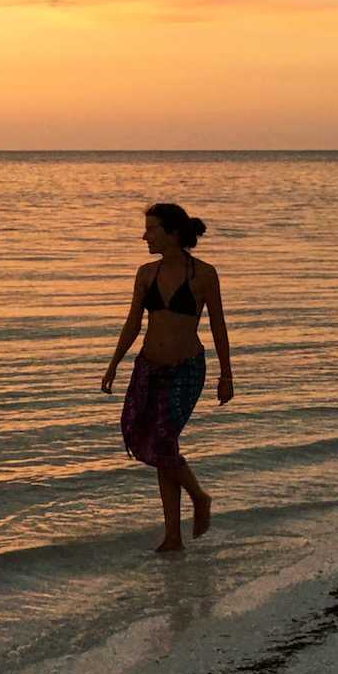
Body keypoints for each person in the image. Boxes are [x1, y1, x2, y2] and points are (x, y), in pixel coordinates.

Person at [100, 202, 234, 552]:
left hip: (186, 370)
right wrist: (114, 364)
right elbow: (133, 324)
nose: (144, 235)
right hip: (149, 367)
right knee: (147, 438)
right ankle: (173, 536)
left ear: (172, 233)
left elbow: (218, 325)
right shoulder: (146, 274)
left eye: (151, 229)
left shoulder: (204, 274)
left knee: (162, 442)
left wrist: (226, 374)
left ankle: (199, 498)